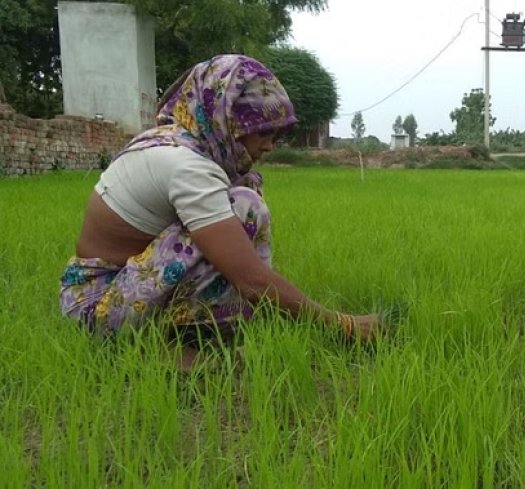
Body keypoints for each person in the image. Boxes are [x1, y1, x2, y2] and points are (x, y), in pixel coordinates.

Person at [60, 54, 381, 356]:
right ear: (225, 120)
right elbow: (250, 279)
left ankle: (193, 335)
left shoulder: (178, 143)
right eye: (261, 132)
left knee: (237, 211)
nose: (269, 146)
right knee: (243, 208)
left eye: (277, 135)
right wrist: (343, 325)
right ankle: (158, 352)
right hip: (96, 310)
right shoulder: (187, 166)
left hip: (113, 294)